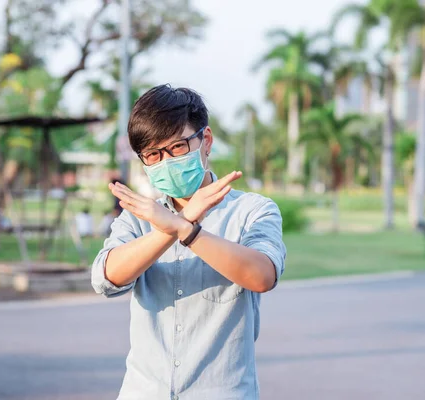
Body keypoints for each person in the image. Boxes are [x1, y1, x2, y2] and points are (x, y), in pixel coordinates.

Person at [91, 85, 286, 399]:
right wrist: (168, 229)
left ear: (205, 141)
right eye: (153, 155)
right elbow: (106, 278)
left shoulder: (253, 211)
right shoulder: (140, 217)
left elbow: (261, 276)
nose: (165, 161)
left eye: (178, 147)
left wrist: (188, 231)